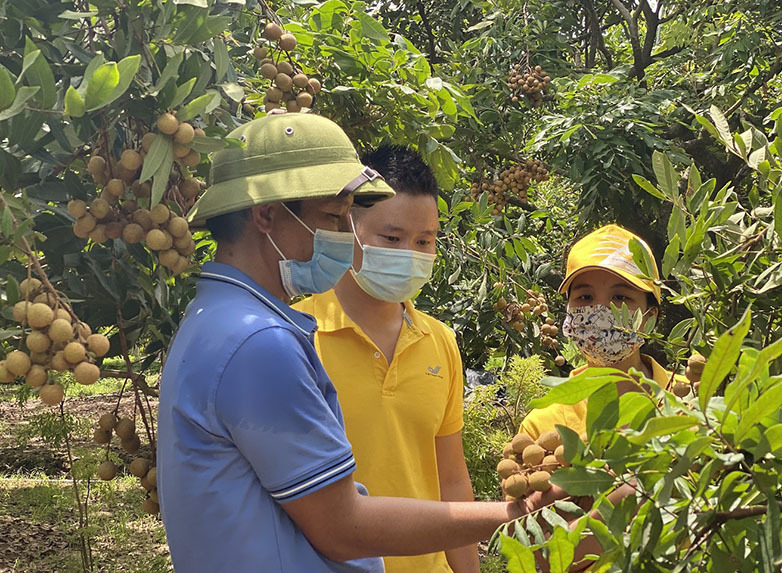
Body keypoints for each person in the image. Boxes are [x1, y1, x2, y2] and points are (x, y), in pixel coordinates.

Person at [157, 112, 565, 573]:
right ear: (267, 215)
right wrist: (519, 514)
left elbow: (447, 475)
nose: (344, 240)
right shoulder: (260, 342)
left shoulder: (216, 317)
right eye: (333, 217)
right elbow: (342, 527)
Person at [293, 146, 478, 573]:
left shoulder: (440, 341)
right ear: (347, 227)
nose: (409, 253)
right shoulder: (295, 335)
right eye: (391, 238)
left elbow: (450, 477)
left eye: (424, 241)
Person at [520, 224, 687, 572]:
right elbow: (539, 558)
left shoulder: (691, 404)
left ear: (650, 316)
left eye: (621, 298)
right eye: (584, 297)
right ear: (569, 315)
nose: (601, 310)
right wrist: (629, 496)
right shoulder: (545, 423)